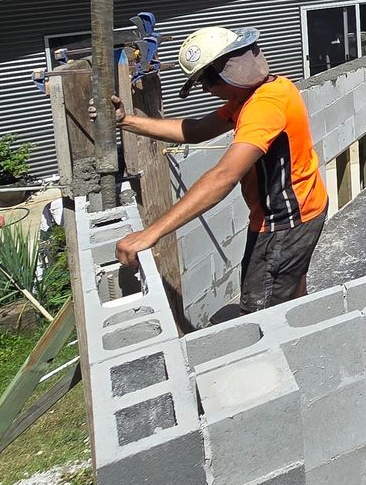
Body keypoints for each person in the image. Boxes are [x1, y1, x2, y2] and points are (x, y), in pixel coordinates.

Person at [114, 25, 328, 312]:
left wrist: (150, 234)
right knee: (289, 286)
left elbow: (223, 177)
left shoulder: (263, 107)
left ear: (224, 71)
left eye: (206, 81)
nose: (204, 89)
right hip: (305, 208)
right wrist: (127, 121)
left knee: (263, 313)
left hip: (284, 223)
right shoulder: (263, 91)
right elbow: (197, 129)